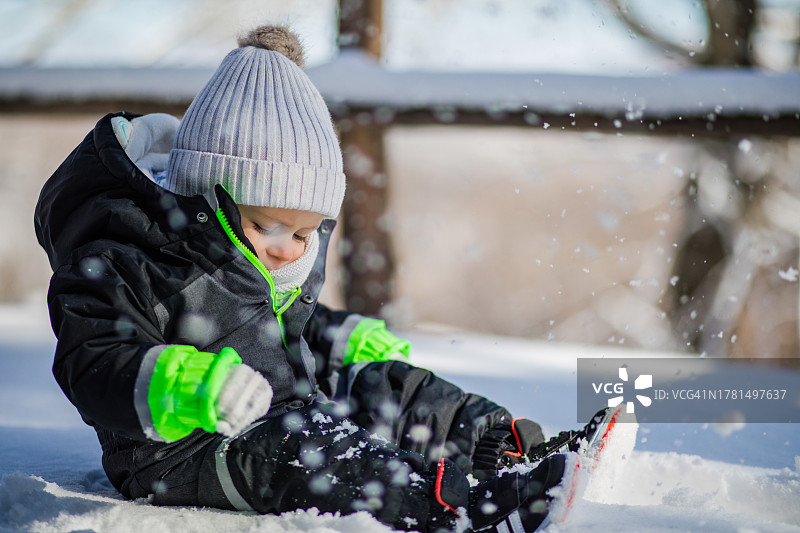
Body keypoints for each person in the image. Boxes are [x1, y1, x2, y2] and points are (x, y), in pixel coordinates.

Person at [34, 24, 613, 533]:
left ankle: (511, 449)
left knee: (382, 386)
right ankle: (468, 510)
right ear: (208, 194)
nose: (289, 250)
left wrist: (340, 337)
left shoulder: (270, 258)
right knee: (314, 454)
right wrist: (182, 384)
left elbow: (279, 333)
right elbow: (93, 361)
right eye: (269, 225)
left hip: (286, 408)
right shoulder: (128, 258)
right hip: (182, 451)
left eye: (305, 233)